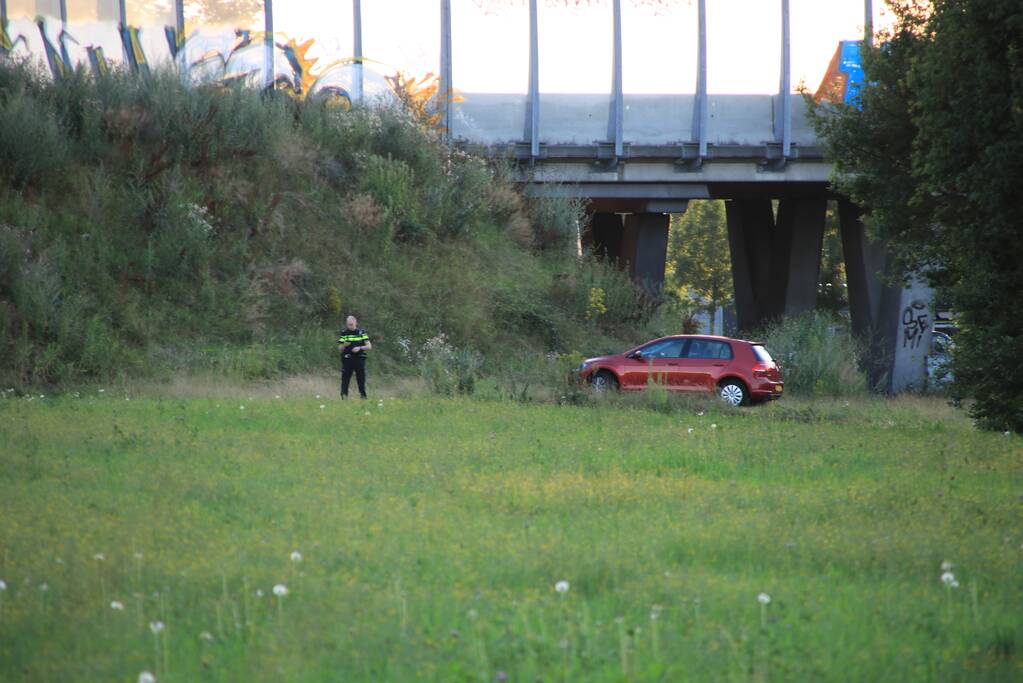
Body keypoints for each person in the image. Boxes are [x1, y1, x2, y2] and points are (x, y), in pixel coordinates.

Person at [337, 315, 372, 399]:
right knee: (345, 379)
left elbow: (369, 346)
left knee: (361, 379)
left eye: (352, 324)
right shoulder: (344, 333)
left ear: (356, 323)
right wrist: (344, 345)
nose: (350, 326)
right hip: (347, 359)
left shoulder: (362, 332)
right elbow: (339, 349)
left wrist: (359, 348)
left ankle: (363, 397)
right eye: (348, 324)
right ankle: (344, 397)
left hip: (359, 358)